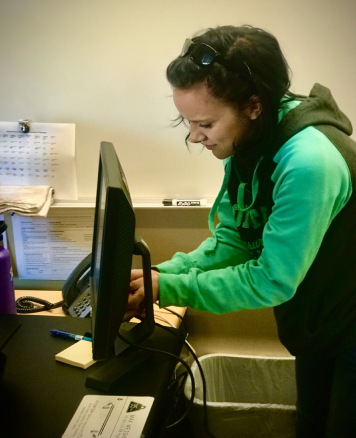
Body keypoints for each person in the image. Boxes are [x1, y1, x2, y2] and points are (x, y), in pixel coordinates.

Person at [126, 25, 356, 438]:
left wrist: (170, 289)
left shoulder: (308, 162)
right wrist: (159, 275)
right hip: (322, 318)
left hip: (348, 320)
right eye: (187, 121)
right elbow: (235, 240)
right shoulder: (252, 141)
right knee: (309, 424)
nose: (195, 136)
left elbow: (272, 279)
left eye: (206, 123)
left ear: (253, 106)